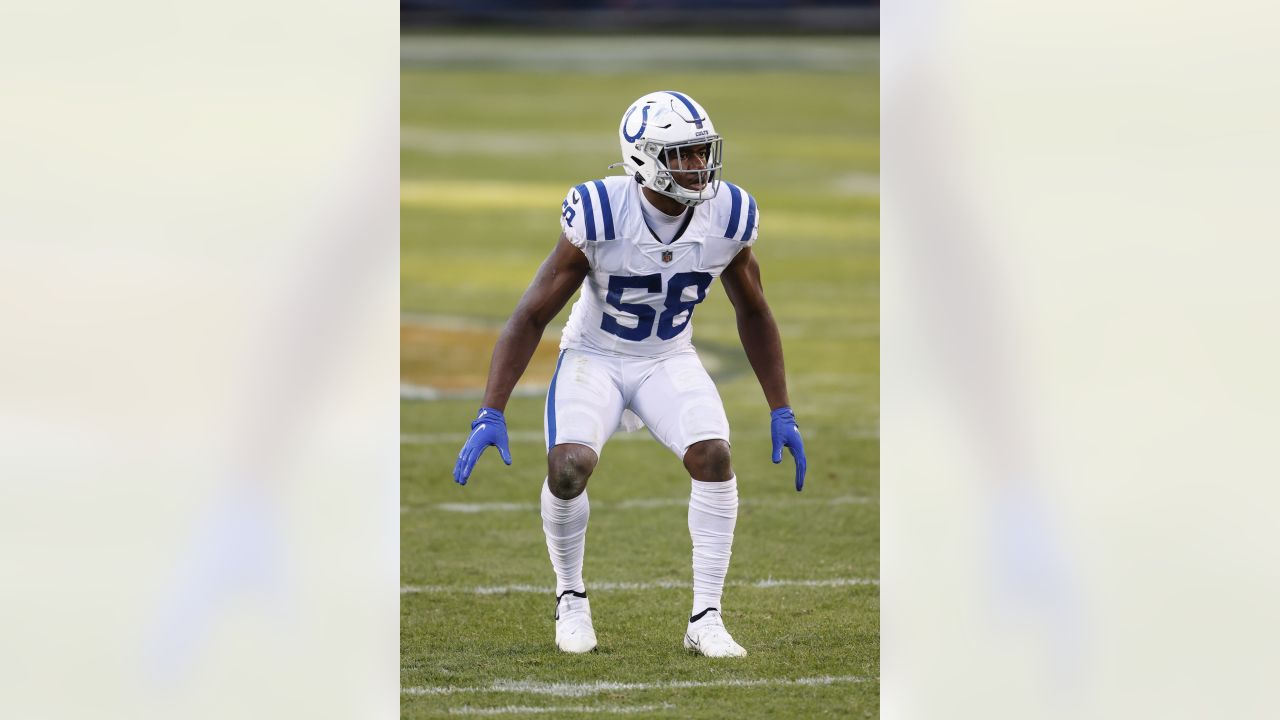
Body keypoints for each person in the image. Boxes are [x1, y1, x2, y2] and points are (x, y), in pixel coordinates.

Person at [451, 90, 806, 658]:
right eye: (682, 154)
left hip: (668, 356)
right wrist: (491, 408)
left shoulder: (729, 215)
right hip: (594, 354)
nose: (698, 166)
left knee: (713, 455)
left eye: (701, 151)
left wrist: (780, 408)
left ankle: (706, 618)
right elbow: (533, 312)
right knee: (568, 468)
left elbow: (754, 310)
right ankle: (571, 598)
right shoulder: (600, 211)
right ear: (643, 159)